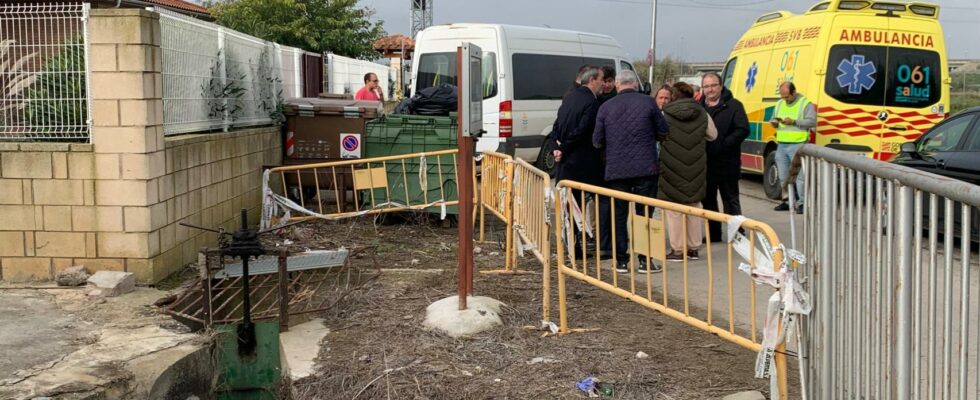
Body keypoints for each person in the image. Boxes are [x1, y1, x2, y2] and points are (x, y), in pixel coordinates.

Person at [593, 70, 670, 273]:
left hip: (617, 169)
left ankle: (621, 261)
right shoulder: (649, 103)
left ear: (618, 85)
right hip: (646, 167)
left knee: (619, 215)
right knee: (644, 214)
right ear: (635, 84)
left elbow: (597, 140)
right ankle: (645, 261)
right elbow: (664, 131)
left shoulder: (605, 107)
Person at [660, 82, 717, 261]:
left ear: (674, 96)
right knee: (694, 205)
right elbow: (713, 135)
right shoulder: (702, 112)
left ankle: (678, 250)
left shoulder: (665, 113)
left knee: (674, 208)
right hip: (696, 165)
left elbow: (657, 134)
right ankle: (693, 248)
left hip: (671, 165)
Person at [553, 65, 605, 257]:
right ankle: (574, 247)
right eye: (601, 79)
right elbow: (583, 131)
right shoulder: (591, 102)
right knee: (577, 207)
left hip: (566, 163)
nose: (602, 83)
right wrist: (564, 147)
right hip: (581, 163)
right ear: (592, 80)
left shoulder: (570, 98)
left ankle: (570, 245)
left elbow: (556, 126)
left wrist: (556, 148)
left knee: (569, 207)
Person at [699, 72, 750, 241]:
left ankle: (736, 233)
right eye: (706, 86)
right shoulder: (699, 107)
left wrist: (724, 144)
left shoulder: (734, 105)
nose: (710, 89)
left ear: (720, 86)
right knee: (709, 201)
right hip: (707, 163)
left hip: (727, 162)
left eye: (713, 85)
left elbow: (743, 129)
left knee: (731, 200)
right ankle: (713, 234)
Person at [770, 81, 815, 214]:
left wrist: (794, 121)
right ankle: (789, 201)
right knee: (784, 176)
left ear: (794, 93)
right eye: (782, 96)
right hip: (782, 145)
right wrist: (774, 123)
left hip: (798, 144)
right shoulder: (779, 103)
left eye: (787, 97)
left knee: (800, 177)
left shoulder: (805, 103)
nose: (784, 99)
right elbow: (774, 117)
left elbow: (812, 122)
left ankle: (802, 204)